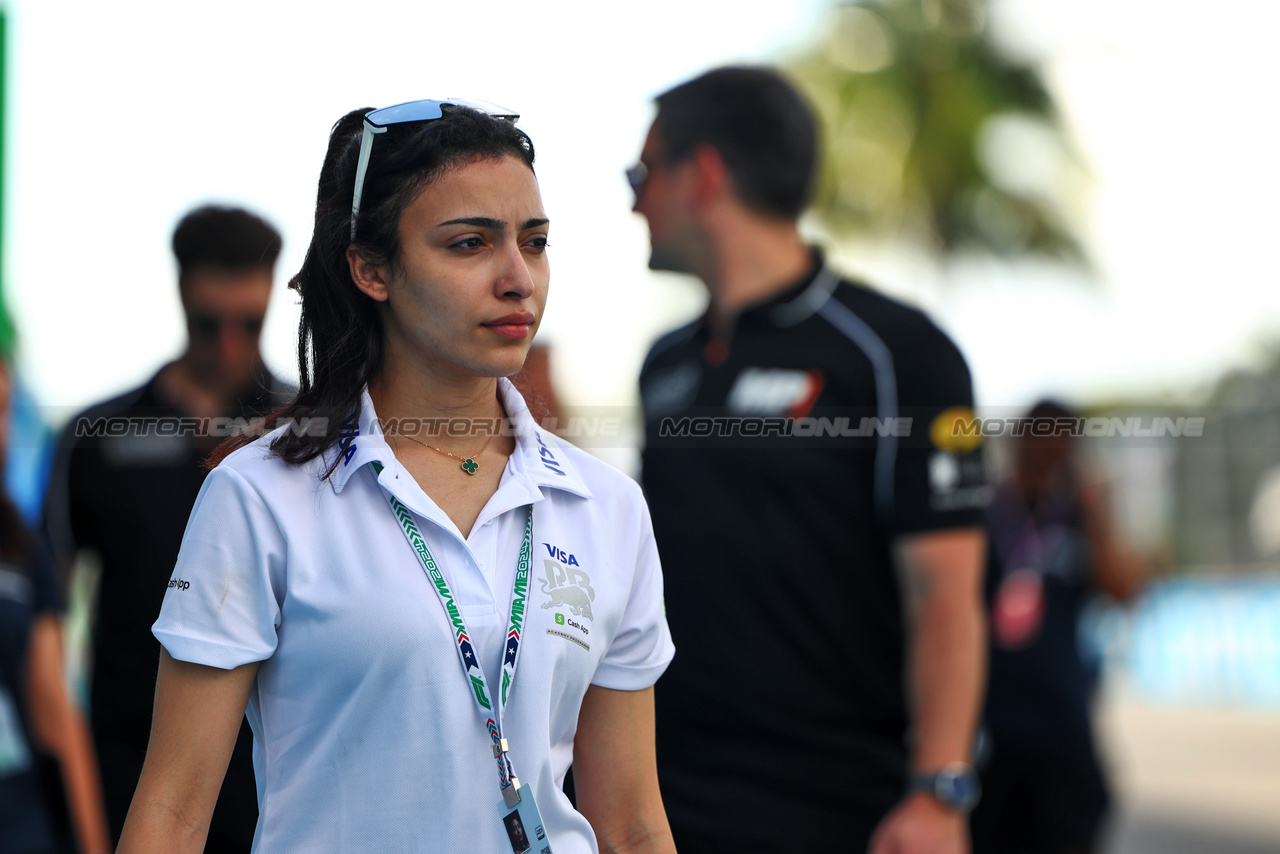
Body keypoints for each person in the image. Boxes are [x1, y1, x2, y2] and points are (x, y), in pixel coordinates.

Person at [117, 99, 676, 854]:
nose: (518, 278)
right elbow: (174, 812)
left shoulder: (606, 507)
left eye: (535, 242)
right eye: (470, 243)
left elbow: (634, 826)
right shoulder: (259, 497)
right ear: (371, 269)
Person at [633, 67, 989, 853]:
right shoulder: (664, 364)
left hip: (838, 808)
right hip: (670, 800)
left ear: (706, 175)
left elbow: (946, 595)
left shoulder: (899, 352)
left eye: (642, 172)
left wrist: (939, 794)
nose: (633, 200)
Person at [42, 204, 291, 850]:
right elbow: (47, 615)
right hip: (128, 770)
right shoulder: (98, 436)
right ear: (181, 295)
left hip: (277, 781)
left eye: (251, 323)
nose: (231, 343)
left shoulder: (306, 435)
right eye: (210, 324)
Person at [970, 400, 1142, 854]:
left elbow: (1122, 590)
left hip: (1062, 725)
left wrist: (1096, 510)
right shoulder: (984, 513)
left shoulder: (1076, 517)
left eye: (1065, 440)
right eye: (1043, 437)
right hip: (991, 729)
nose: (1053, 450)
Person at [1, 360, 111, 854]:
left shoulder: (20, 548)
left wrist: (93, 843)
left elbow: (59, 717)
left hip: (20, 822)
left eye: (3, 410)